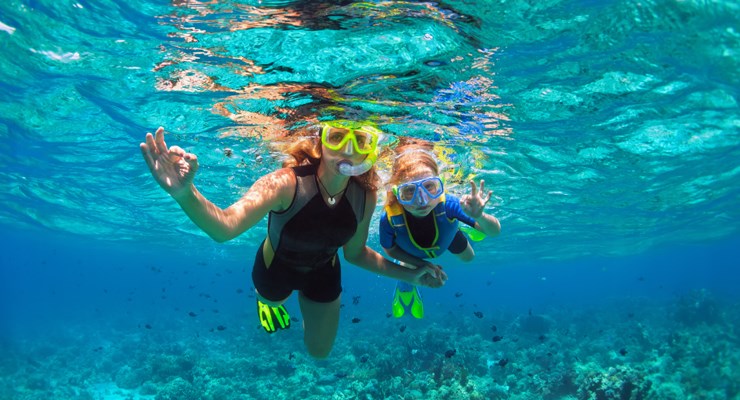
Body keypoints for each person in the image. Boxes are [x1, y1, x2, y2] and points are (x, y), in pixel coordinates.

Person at [140, 121, 446, 358]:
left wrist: (413, 275)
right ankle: (266, 302)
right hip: (275, 268)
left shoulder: (365, 195)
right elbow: (225, 227)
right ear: (320, 143)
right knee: (272, 300)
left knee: (320, 353)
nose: (348, 149)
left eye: (360, 140)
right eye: (337, 137)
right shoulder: (285, 183)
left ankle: (290, 309)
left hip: (324, 272)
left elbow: (355, 254)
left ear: (369, 149)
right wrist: (184, 193)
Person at [379, 143, 501, 319]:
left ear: (440, 185)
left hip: (447, 236)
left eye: (429, 187)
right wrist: (423, 265)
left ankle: (468, 224)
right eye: (409, 191)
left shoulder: (450, 204)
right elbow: (389, 250)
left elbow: (495, 231)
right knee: (408, 270)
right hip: (410, 251)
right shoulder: (390, 218)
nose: (421, 200)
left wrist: (480, 216)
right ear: (397, 193)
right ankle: (405, 288)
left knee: (469, 257)